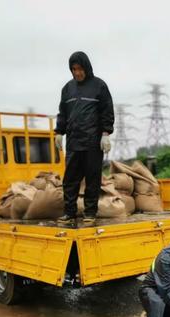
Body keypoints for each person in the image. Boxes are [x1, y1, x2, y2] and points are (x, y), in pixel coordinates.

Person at [54, 51, 114, 228]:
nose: (77, 73)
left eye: (80, 69)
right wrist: (59, 131)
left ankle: (90, 213)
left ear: (86, 68)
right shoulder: (67, 89)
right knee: (70, 180)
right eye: (73, 69)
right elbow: (63, 113)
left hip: (93, 142)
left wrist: (105, 134)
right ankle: (69, 213)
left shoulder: (99, 86)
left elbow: (107, 111)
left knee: (92, 179)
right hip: (73, 142)